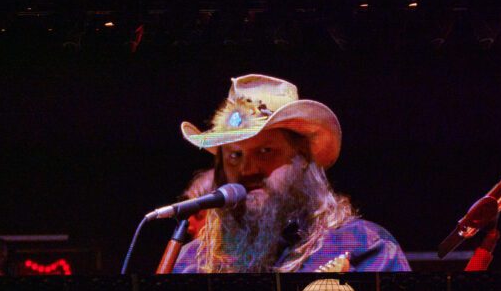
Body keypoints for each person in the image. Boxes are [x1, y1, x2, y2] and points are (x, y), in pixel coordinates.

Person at [173, 74, 410, 273]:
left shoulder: (363, 247)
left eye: (265, 151)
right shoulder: (191, 263)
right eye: (235, 156)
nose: (247, 170)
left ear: (303, 159)